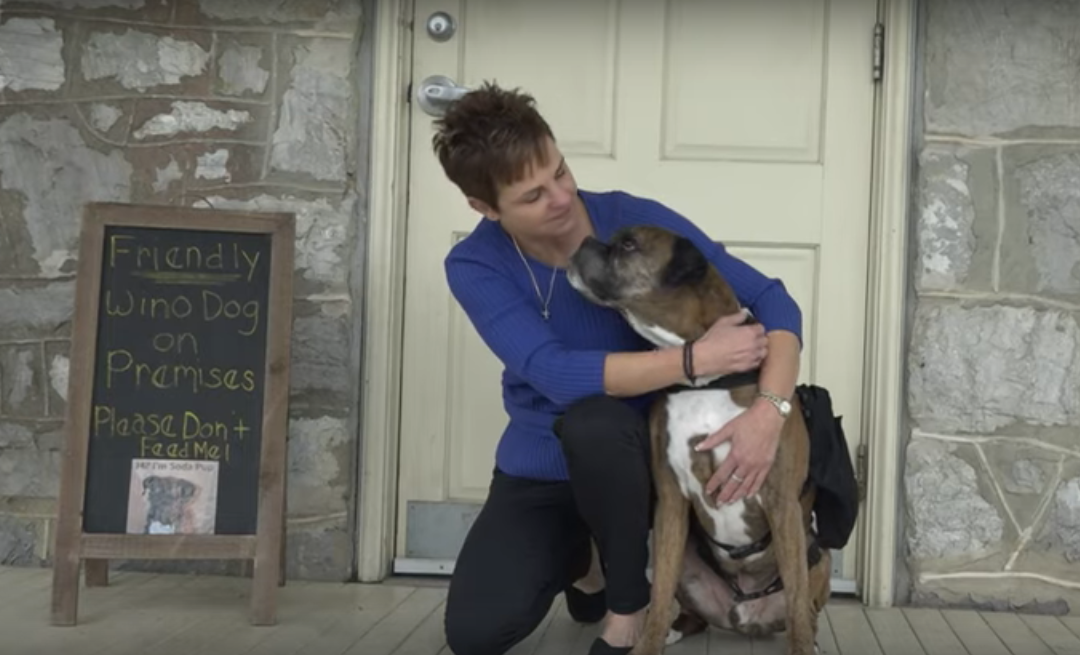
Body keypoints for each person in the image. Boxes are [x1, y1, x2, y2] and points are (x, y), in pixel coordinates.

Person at [433, 82, 803, 655]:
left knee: (601, 425)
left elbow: (773, 300)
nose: (562, 198)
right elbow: (554, 374)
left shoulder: (631, 221)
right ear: (486, 207)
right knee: (476, 634)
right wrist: (692, 360)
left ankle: (626, 611)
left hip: (648, 464)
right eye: (533, 195)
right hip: (548, 468)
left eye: (560, 171)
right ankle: (588, 567)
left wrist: (769, 412)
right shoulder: (475, 264)